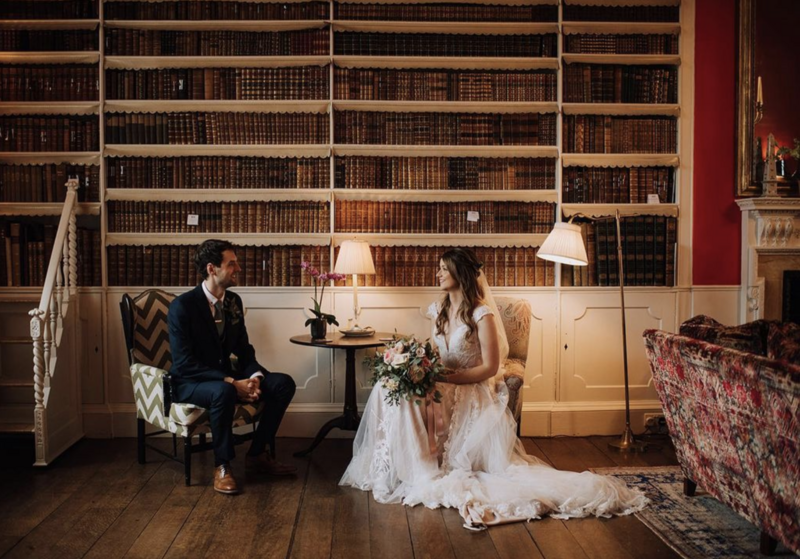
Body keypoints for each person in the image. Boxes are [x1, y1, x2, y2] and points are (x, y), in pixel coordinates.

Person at [340, 247, 648, 529]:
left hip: (469, 392)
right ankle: (396, 465)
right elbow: (433, 353)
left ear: (459, 273)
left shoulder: (481, 314)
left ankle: (421, 469)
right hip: (441, 383)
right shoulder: (439, 310)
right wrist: (415, 366)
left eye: (444, 269)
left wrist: (446, 378)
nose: (438, 274)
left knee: (409, 397)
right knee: (388, 385)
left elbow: (489, 368)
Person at [168, 239, 297, 494]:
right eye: (232, 264)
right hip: (190, 382)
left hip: (227, 375)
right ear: (211, 269)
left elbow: (244, 350)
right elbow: (184, 363)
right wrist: (231, 383)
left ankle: (257, 455)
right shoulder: (182, 307)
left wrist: (255, 377)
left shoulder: (233, 302)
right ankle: (223, 465)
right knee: (223, 392)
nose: (238, 268)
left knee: (283, 384)